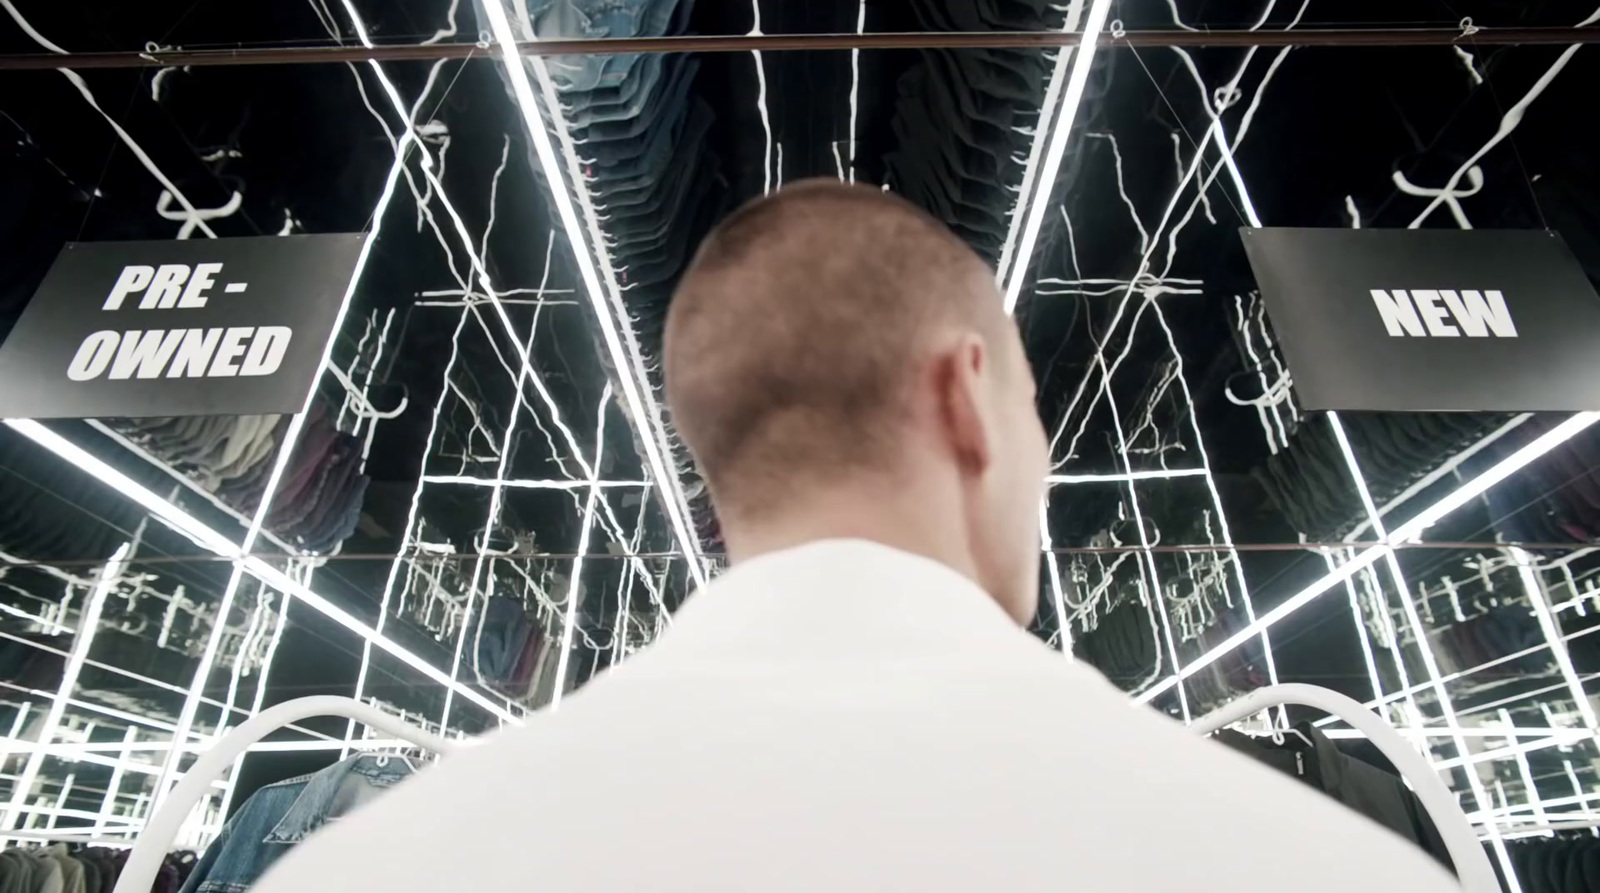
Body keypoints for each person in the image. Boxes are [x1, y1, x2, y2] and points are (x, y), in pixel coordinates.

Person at [252, 181, 1459, 891]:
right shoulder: (1310, 865)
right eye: (1035, 409)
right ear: (965, 399)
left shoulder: (368, 868)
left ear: (718, 462)